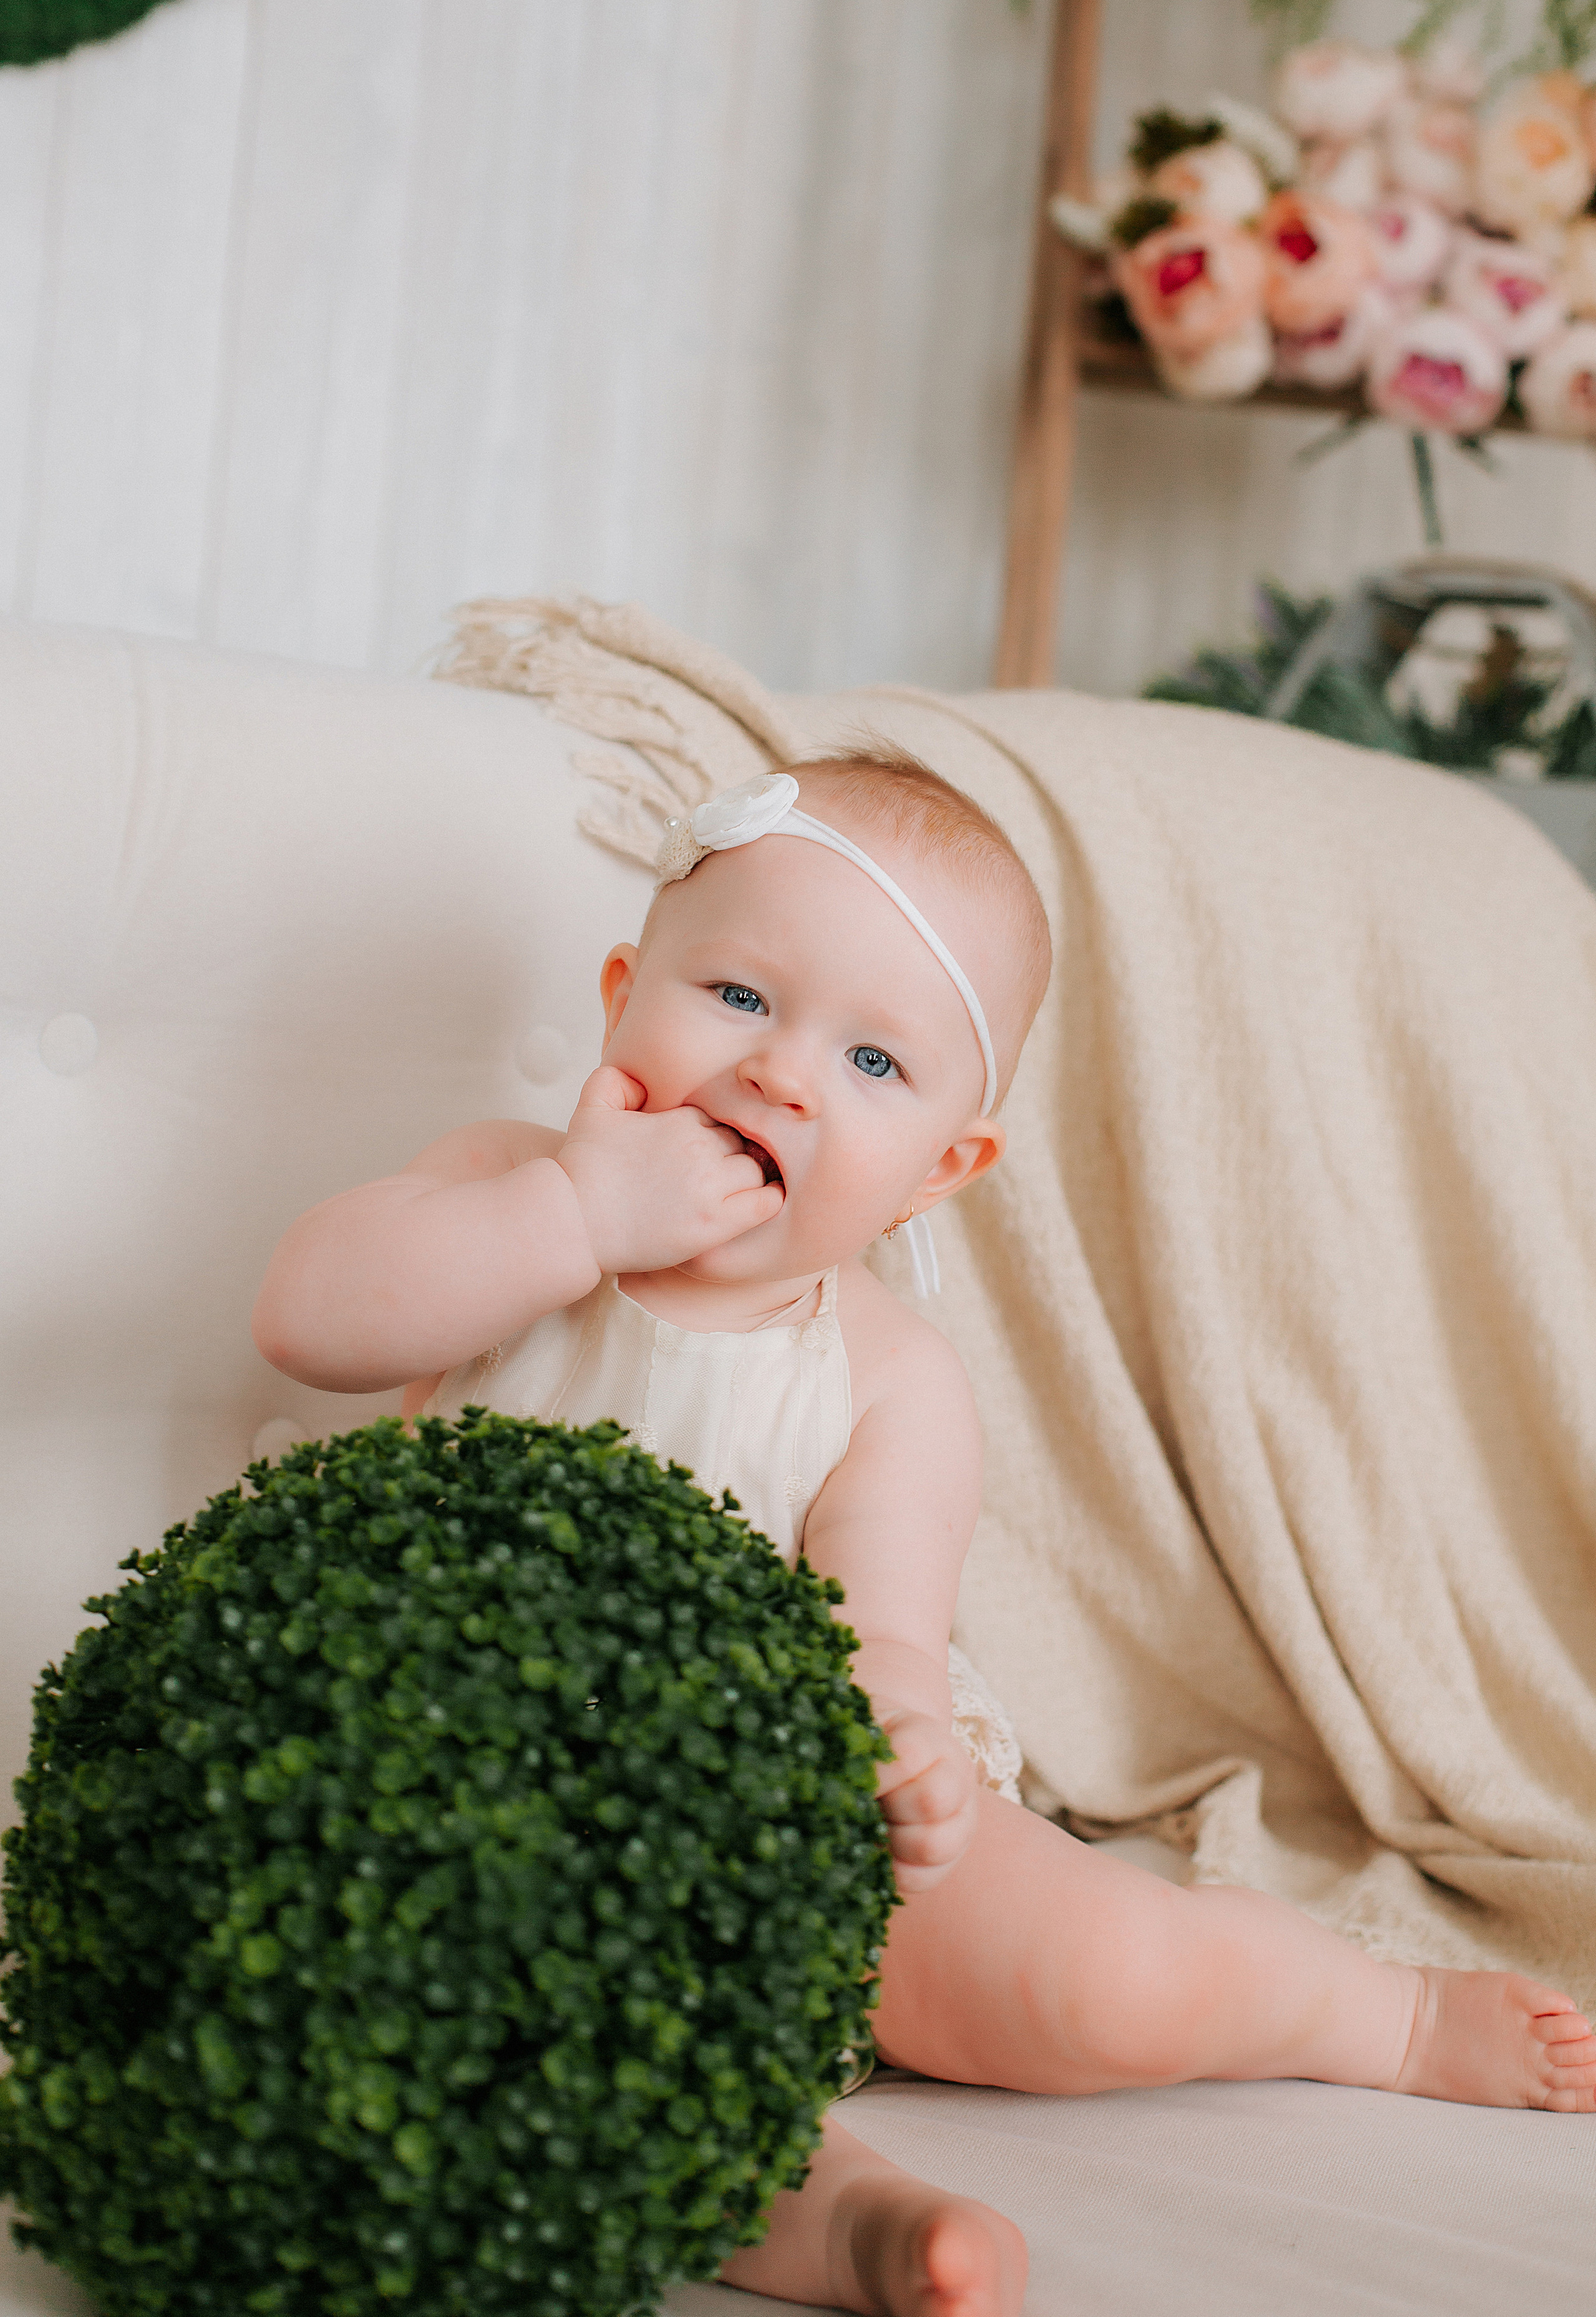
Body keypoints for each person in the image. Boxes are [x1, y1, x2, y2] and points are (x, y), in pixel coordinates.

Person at [255, 751, 1596, 2317]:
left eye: (875, 1064)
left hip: (804, 1816)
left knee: (1098, 1977)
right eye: (740, 998)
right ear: (625, 997)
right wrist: (577, 1217)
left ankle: (1374, 2019)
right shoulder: (499, 1192)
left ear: (940, 1172)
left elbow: (879, 1628)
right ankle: (858, 2228)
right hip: (490, 1814)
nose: (781, 1075)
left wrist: (893, 1739)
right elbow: (311, 1317)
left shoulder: (886, 1376)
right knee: (562, 2060)